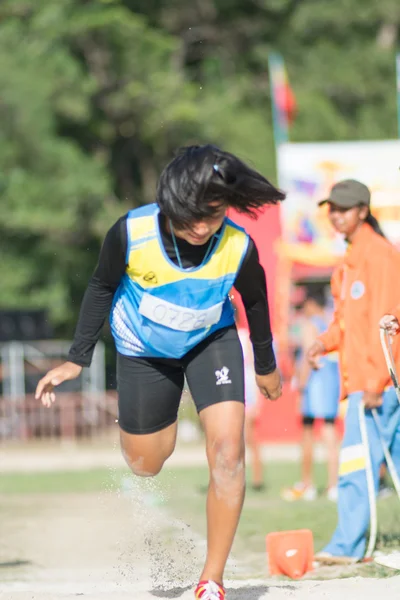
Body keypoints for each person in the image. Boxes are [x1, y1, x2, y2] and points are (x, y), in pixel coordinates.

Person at [35, 144, 285, 600]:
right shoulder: (131, 233)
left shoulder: (236, 246)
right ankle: (144, 441)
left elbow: (254, 299)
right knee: (146, 463)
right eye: (192, 216)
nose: (202, 227)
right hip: (143, 351)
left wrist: (266, 365)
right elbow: (100, 286)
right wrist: (77, 356)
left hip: (211, 342)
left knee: (229, 452)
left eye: (213, 215)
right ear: (170, 204)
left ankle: (212, 580)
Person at [306, 179, 400, 561]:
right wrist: (322, 342)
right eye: (333, 209)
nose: (336, 216)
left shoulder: (380, 256)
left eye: (344, 209)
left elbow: (389, 322)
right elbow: (346, 324)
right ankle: (348, 543)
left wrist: (377, 379)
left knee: (356, 463)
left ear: (363, 210)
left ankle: (347, 545)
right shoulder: (346, 265)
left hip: (377, 382)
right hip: (365, 381)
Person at [282, 290, 340, 502]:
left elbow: (308, 356)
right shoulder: (330, 321)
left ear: (311, 304)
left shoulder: (309, 325)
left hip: (314, 383)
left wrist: (301, 385)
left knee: (307, 433)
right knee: (330, 432)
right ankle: (334, 485)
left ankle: (308, 483)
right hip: (331, 380)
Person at [237, 322, 265, 491]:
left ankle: (254, 477)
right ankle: (253, 477)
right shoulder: (243, 335)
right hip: (246, 389)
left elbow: (250, 365)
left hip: (245, 389)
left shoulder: (242, 335)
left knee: (247, 438)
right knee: (246, 438)